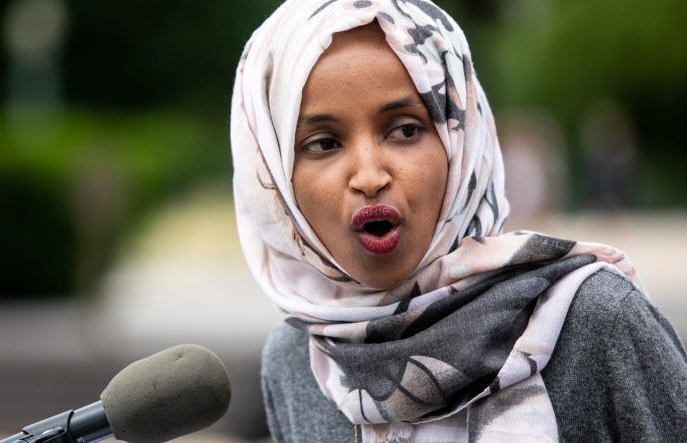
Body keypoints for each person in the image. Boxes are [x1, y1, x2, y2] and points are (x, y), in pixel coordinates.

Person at [229, 1, 687, 442]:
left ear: (461, 143)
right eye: (324, 143)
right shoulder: (297, 360)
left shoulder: (596, 321)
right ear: (274, 176)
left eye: (405, 130)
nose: (369, 177)